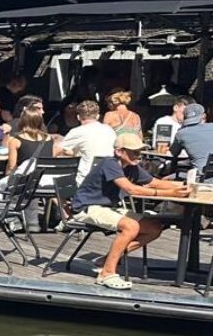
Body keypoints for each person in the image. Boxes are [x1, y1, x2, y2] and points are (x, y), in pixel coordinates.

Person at [63, 135, 188, 290]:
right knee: (130, 227)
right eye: (134, 152)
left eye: (139, 152)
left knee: (154, 227)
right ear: (119, 151)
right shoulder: (109, 164)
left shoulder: (131, 166)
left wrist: (180, 186)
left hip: (107, 207)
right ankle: (106, 273)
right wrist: (172, 193)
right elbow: (131, 189)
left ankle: (108, 260)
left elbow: (152, 182)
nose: (138, 155)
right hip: (87, 208)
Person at [56, 100, 117, 183]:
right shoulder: (109, 130)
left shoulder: (77, 132)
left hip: (85, 180)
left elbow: (56, 151)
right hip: (107, 177)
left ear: (78, 117)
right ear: (98, 116)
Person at [169, 103, 213, 176]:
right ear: (204, 116)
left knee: (165, 179)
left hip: (199, 178)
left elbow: (173, 153)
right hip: (209, 176)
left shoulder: (181, 133)